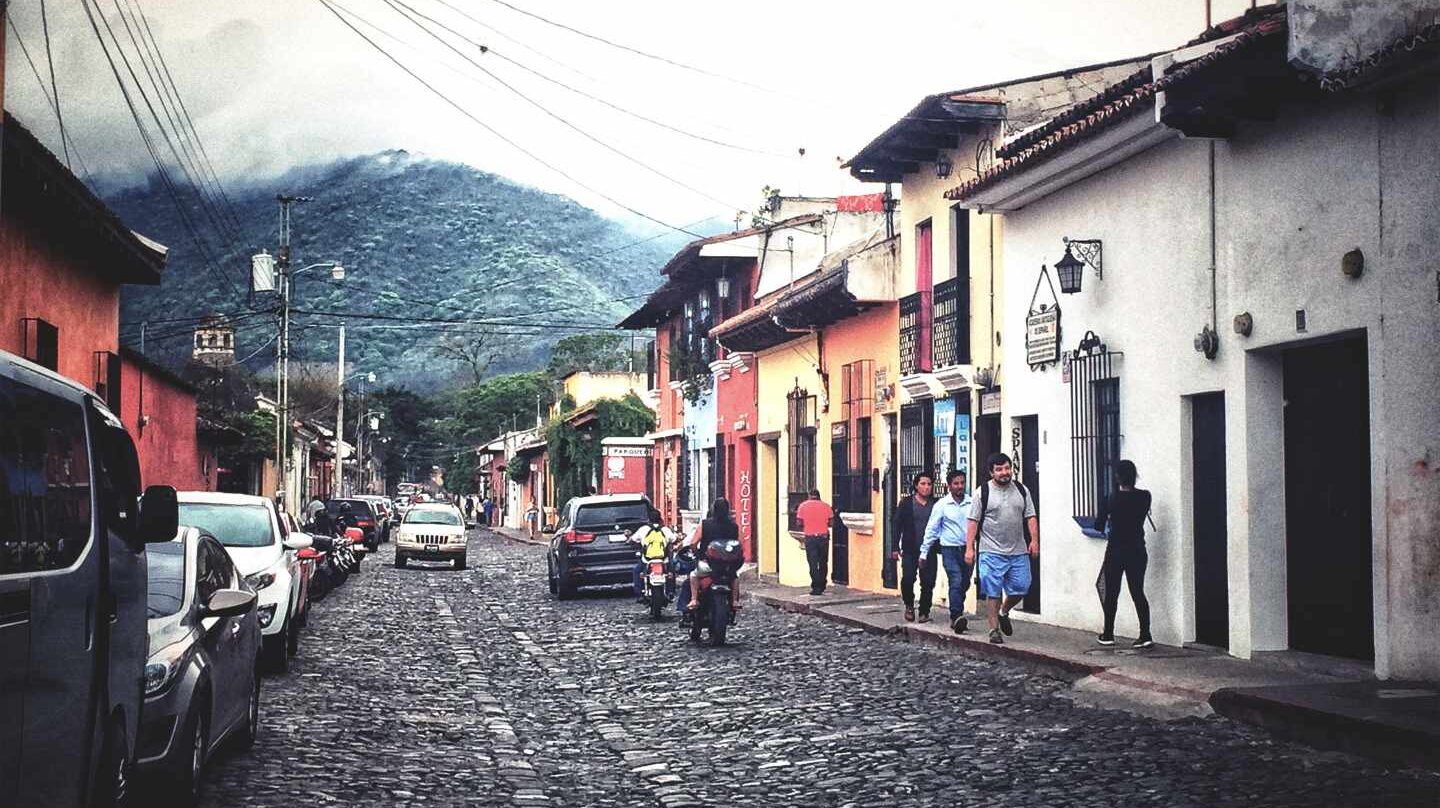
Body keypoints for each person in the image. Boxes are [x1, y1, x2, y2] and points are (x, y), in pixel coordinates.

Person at [966, 453, 1038, 645]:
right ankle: (993, 630)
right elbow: (973, 521)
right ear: (992, 472)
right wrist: (970, 548)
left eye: (1007, 468)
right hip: (990, 551)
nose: (1004, 473)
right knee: (993, 590)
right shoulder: (982, 492)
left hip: (1018, 550)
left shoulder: (1022, 490)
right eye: (999, 469)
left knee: (1022, 586)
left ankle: (1004, 611)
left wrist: (1034, 540)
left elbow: (1030, 516)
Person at [1094, 459, 1154, 648]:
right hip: (1137, 549)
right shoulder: (1145, 497)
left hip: (1116, 550)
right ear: (1134, 476)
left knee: (1111, 592)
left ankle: (1108, 633)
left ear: (1117, 477)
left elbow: (1098, 525)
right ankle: (1145, 634)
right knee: (1138, 592)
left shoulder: (1110, 499)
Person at [920, 469, 974, 634]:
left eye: (962, 483)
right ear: (949, 486)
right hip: (949, 549)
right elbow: (932, 529)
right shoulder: (942, 505)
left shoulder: (972, 503)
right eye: (956, 483)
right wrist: (924, 552)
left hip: (968, 549)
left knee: (965, 582)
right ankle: (956, 616)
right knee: (956, 580)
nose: (959, 486)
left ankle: (957, 611)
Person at [892, 472, 938, 623]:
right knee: (908, 578)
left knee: (928, 582)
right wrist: (894, 547)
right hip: (910, 548)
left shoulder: (936, 504)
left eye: (929, 484)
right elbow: (897, 525)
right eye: (923, 484)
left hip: (929, 549)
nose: (926, 487)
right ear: (916, 485)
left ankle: (924, 611)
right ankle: (909, 605)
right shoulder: (906, 503)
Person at [688, 498, 741, 611]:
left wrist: (697, 553)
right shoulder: (733, 526)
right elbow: (736, 544)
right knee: (735, 577)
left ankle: (694, 599)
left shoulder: (705, 524)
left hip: (708, 564)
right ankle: (735, 601)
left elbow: (693, 543)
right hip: (727, 566)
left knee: (694, 575)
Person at [794, 489, 834, 596]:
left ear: (809, 496)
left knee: (812, 562)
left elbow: (799, 523)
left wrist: (808, 524)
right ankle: (822, 584)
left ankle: (816, 587)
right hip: (823, 537)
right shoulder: (826, 506)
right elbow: (831, 523)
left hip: (810, 537)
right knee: (823, 562)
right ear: (819, 496)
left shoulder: (802, 506)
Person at [631, 506, 675, 602]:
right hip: (663, 559)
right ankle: (670, 591)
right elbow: (674, 539)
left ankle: (640, 593)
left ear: (649, 519)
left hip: (647, 560)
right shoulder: (665, 530)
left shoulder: (643, 529)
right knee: (671, 572)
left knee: (637, 571)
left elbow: (633, 539)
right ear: (660, 519)